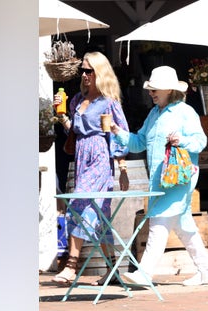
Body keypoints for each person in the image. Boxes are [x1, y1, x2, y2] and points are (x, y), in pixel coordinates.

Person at [109, 66, 208, 286]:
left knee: (158, 222)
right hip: (160, 180)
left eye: (155, 89)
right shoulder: (153, 114)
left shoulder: (185, 112)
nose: (151, 93)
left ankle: (145, 272)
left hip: (179, 178)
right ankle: (207, 271)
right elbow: (139, 142)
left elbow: (200, 142)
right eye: (150, 89)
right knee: (184, 226)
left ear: (169, 90)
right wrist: (117, 132)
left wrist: (182, 141)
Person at [52, 51, 130, 286]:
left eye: (89, 70)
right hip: (82, 156)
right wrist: (62, 115)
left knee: (79, 203)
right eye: (83, 71)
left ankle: (71, 266)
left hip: (99, 157)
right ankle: (112, 270)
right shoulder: (77, 99)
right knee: (101, 215)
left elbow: (121, 134)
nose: (85, 75)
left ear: (100, 72)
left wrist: (123, 167)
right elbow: (74, 131)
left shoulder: (109, 102)